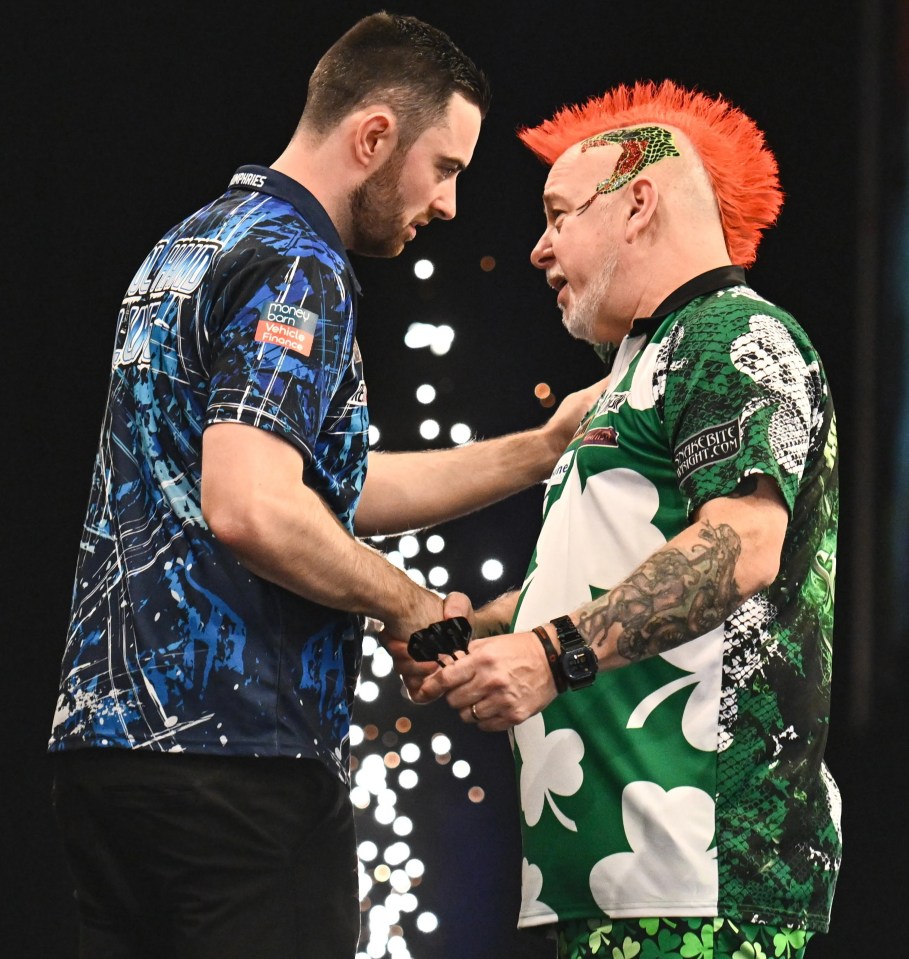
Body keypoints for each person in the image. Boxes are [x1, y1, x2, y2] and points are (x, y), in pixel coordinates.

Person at [47, 13, 606, 959]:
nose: (450, 206)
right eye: (447, 168)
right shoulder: (303, 265)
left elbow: (315, 485)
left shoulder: (188, 246)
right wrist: (409, 602)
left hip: (104, 763)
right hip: (237, 763)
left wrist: (538, 451)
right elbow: (254, 506)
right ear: (375, 136)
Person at [402, 80, 841, 959]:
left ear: (638, 202)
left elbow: (742, 547)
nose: (536, 248)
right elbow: (607, 578)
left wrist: (545, 651)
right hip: (609, 877)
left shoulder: (730, 333)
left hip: (699, 878)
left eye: (558, 213)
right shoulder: (633, 373)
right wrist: (470, 633)